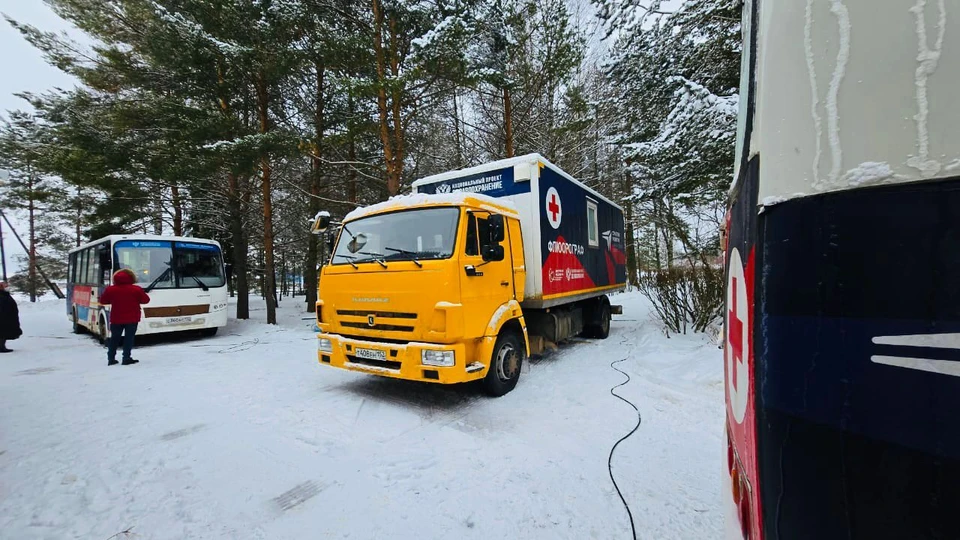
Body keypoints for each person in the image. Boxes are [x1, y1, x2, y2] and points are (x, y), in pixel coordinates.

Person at [99, 269, 150, 366]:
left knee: (114, 338)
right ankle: (126, 357)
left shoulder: (111, 289)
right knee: (129, 338)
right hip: (132, 318)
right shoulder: (136, 289)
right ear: (131, 278)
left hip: (116, 318)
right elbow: (146, 300)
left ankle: (111, 358)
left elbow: (103, 301)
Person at [0, 282, 22, 352]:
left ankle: (2, 346)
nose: (7, 287)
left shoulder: (5, 294)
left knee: (4, 332)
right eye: (5, 286)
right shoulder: (1, 295)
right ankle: (1, 347)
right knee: (2, 333)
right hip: (3, 317)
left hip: (8, 317)